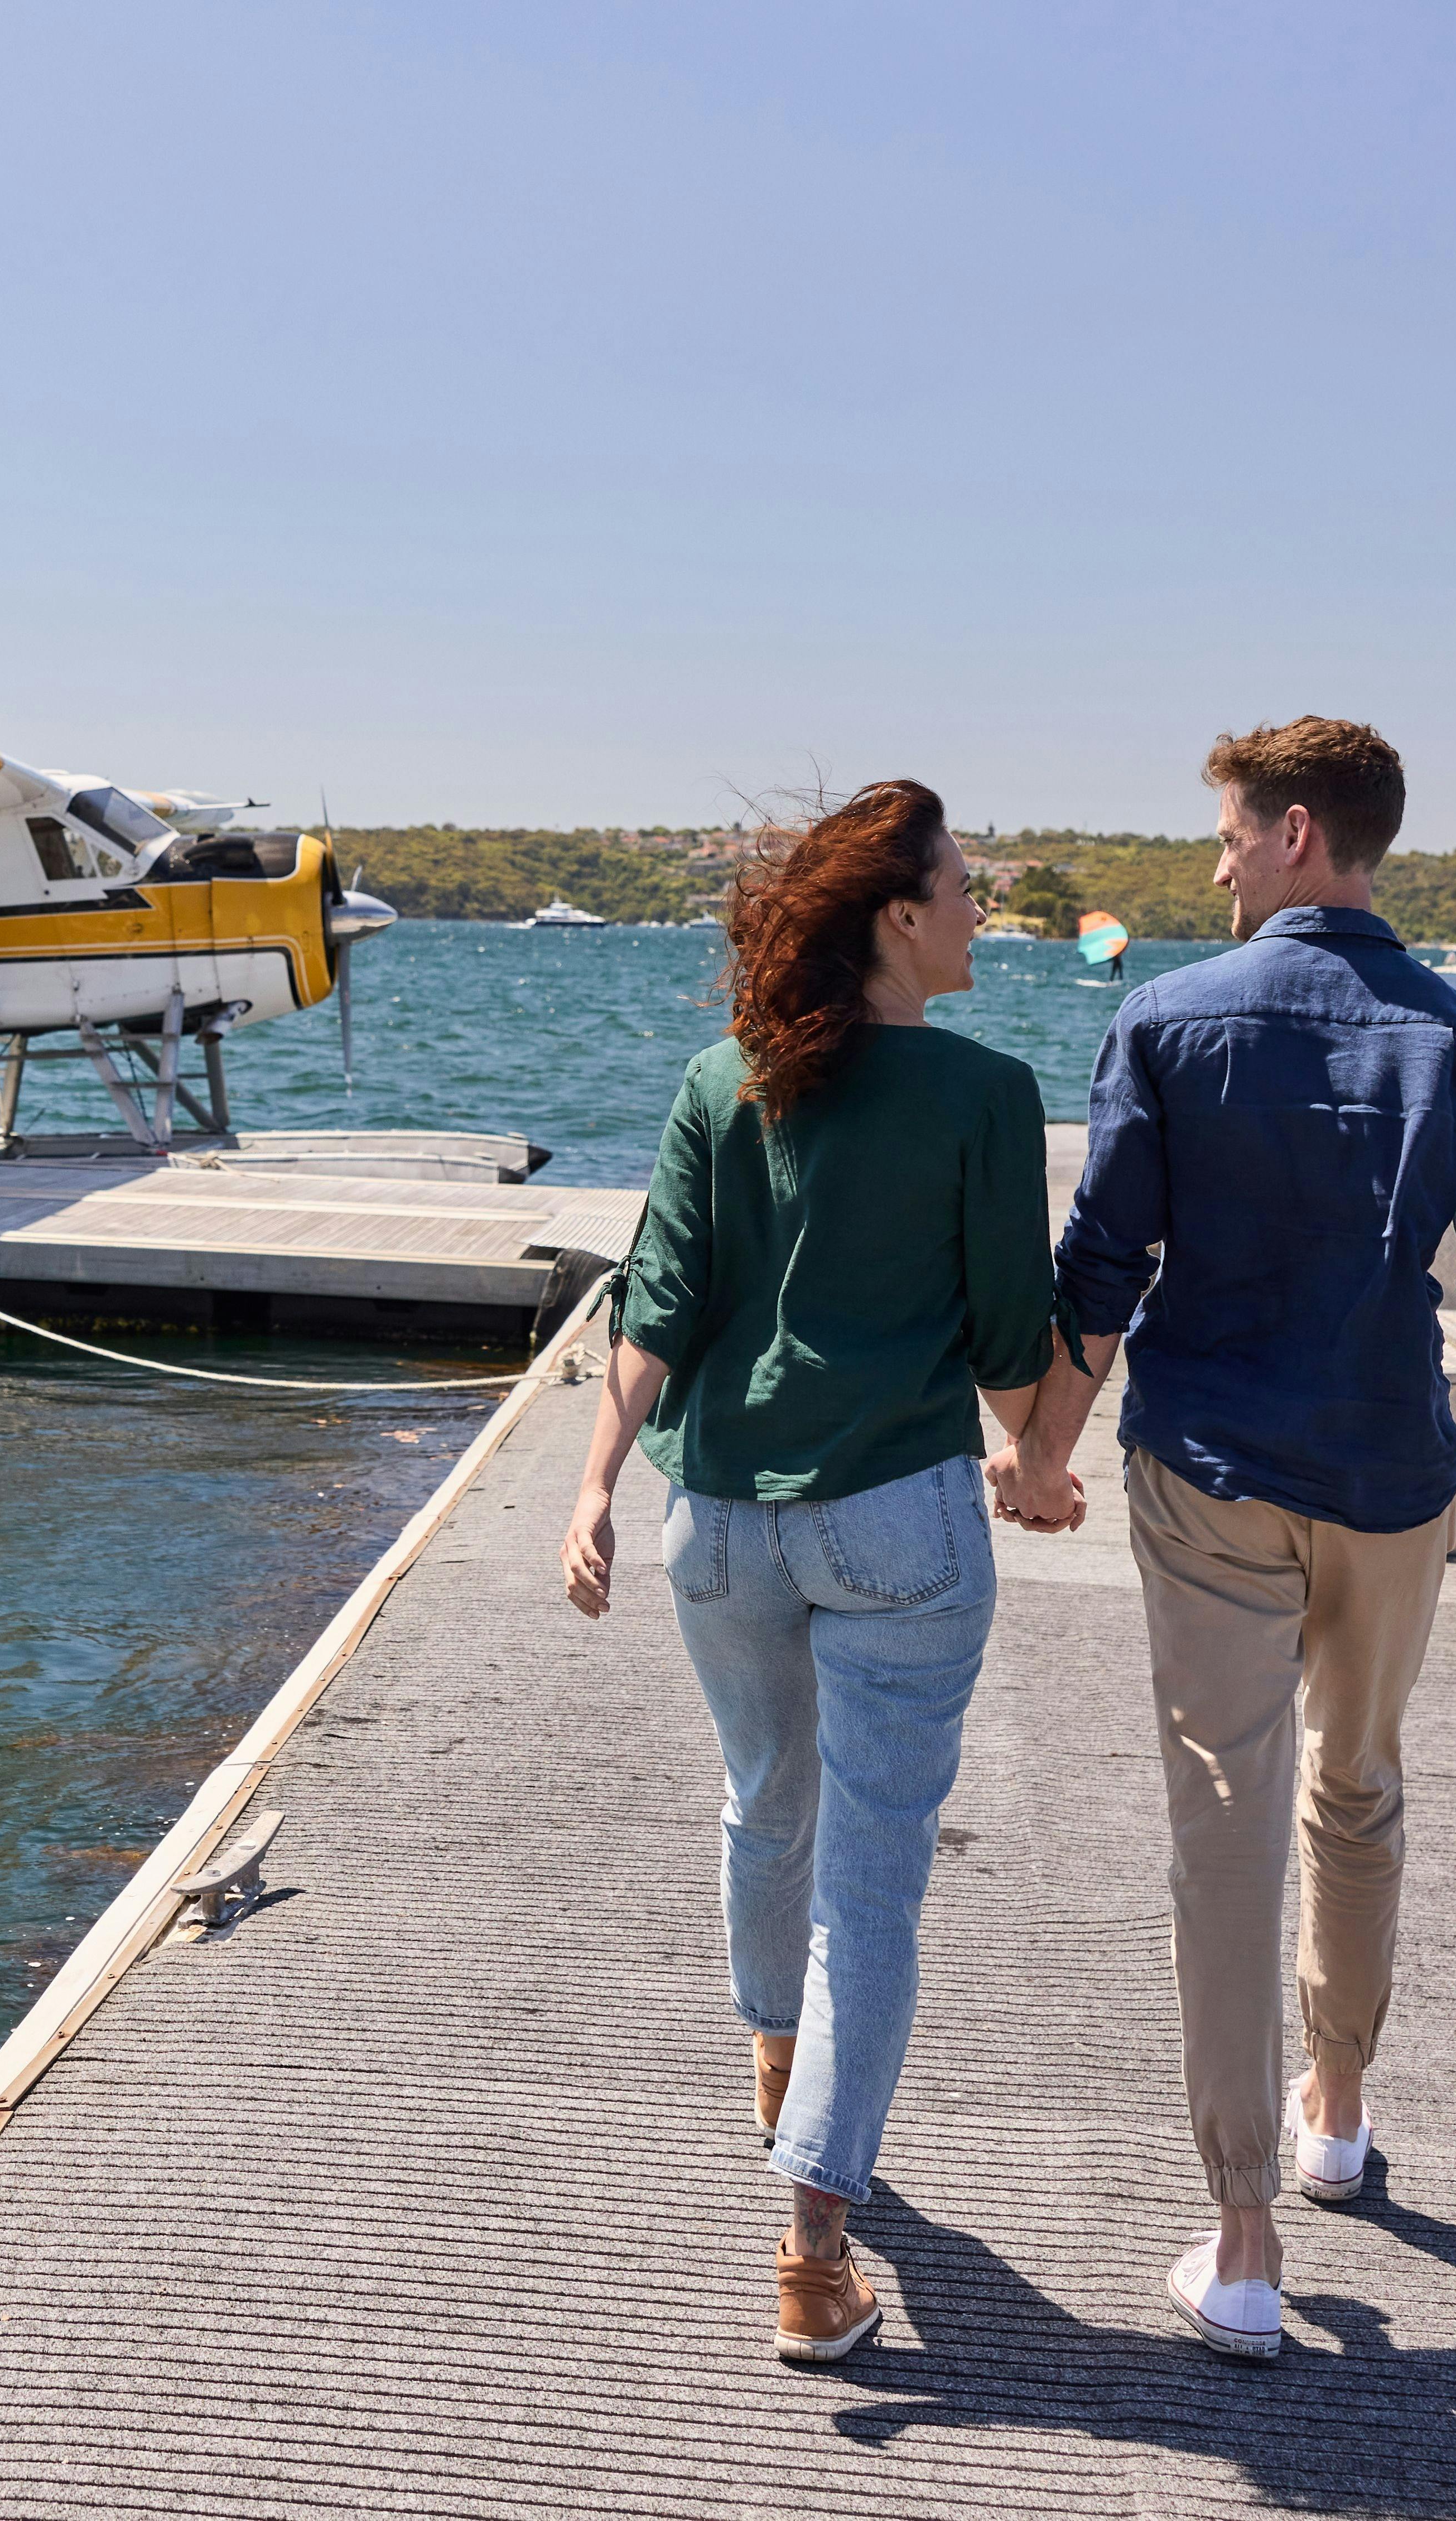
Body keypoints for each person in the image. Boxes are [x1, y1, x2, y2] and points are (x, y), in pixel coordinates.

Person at [995, 717, 1456, 2364]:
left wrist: (1043, 1449)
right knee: (1358, 1789)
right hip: (1397, 1477)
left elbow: (1100, 1267)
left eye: (1235, 838)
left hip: (1209, 1470)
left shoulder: (1170, 1020)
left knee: (1229, 1829)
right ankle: (1335, 2111)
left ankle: (1244, 2239)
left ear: (1301, 831)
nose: (1219, 866)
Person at [560, 781, 1057, 2365]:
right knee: (875, 1881)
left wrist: (587, 1491)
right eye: (966, 888)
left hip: (715, 1519)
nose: (984, 910)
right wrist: (1044, 1458)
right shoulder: (987, 1095)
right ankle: (811, 2247)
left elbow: (660, 1299)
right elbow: (1003, 1343)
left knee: (765, 1803)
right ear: (899, 917)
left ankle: (783, 2079)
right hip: (894, 1522)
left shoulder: (727, 1080)